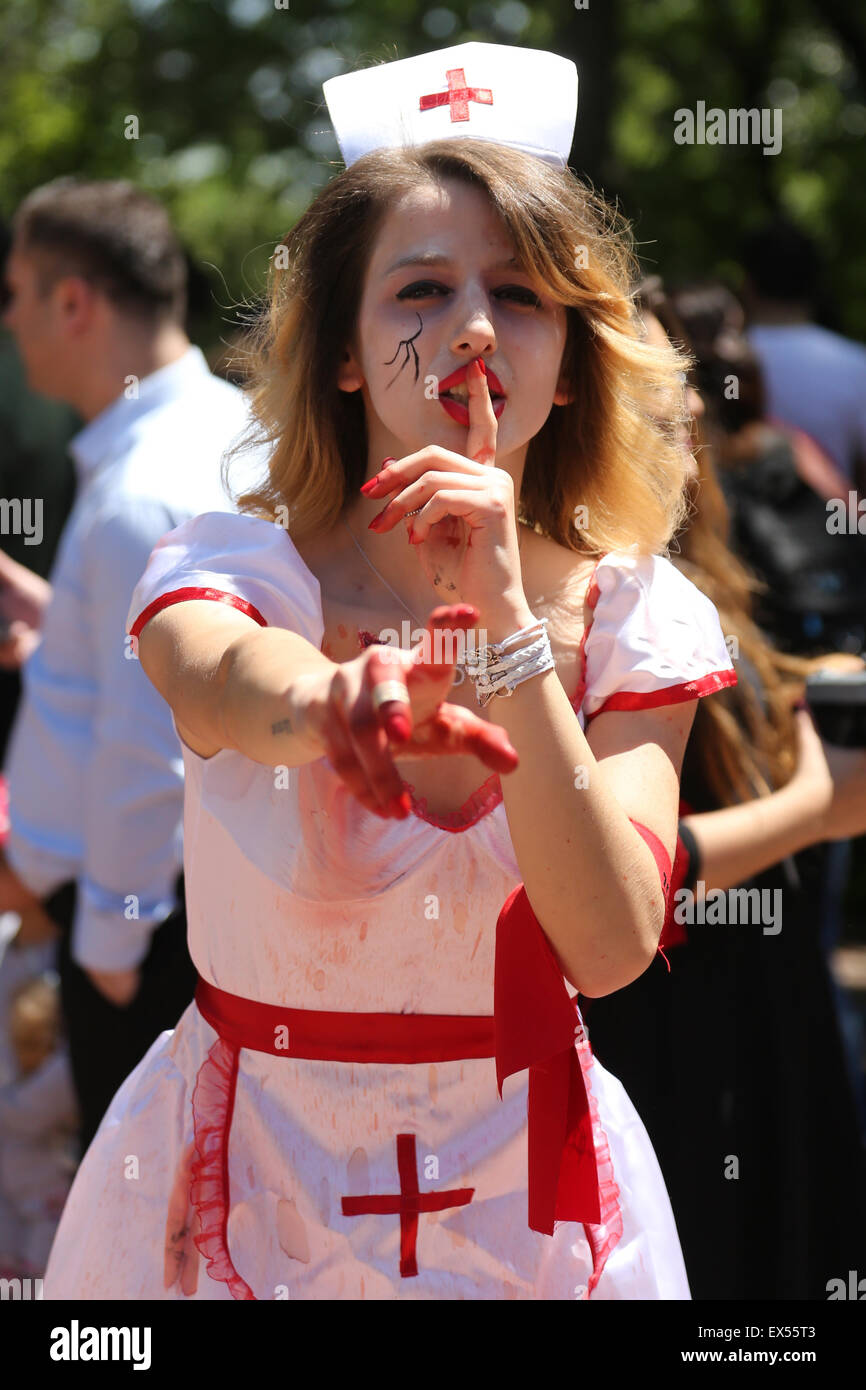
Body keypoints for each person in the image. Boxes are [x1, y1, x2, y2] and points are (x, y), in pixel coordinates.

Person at [43, 42, 736, 1301]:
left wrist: (511, 621)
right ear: (347, 353)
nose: (471, 328)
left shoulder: (635, 611)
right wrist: (332, 699)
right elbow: (221, 677)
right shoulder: (234, 565)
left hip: (528, 1199)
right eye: (418, 288)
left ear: (570, 359)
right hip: (246, 1169)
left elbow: (609, 945)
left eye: (521, 295)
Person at [582, 281, 866, 1300]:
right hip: (672, 1037)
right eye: (652, 394)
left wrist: (815, 696)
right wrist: (813, 810)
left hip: (761, 1007)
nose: (692, 408)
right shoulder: (577, 610)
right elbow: (622, 883)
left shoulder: (681, 563)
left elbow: (751, 698)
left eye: (685, 388)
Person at [0, 178, 264, 1152]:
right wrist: (58, 619)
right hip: (199, 907)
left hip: (148, 933)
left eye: (18, 289)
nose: (12, 317)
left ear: (75, 302)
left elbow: (149, 747)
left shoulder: (137, 492)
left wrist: (108, 946)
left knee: (159, 1237)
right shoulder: (226, 424)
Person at [742, 218, 866, 492]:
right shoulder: (857, 365)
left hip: (734, 526)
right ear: (816, 286)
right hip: (832, 526)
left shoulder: (722, 362)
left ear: (748, 284)